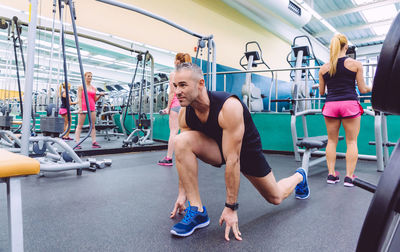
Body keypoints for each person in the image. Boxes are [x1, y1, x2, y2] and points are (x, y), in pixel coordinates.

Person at [169, 63, 309, 240]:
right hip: (216, 146)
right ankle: (197, 210)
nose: (177, 91)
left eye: (183, 85)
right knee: (180, 141)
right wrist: (183, 194)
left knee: (275, 197)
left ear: (201, 84)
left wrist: (231, 207)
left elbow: (233, 159)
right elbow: (182, 155)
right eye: (175, 86)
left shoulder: (229, 106)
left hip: (246, 150)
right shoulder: (185, 114)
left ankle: (300, 176)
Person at [318, 34, 372, 187]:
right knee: (352, 141)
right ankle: (349, 177)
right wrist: (374, 86)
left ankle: (331, 174)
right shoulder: (355, 64)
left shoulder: (324, 68)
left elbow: (322, 92)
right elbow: (363, 89)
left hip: (331, 105)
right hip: (349, 104)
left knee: (332, 141)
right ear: (346, 47)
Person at [158, 53, 192, 166]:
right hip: (187, 105)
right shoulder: (190, 74)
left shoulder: (174, 74)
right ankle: (185, 158)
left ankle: (168, 158)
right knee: (184, 132)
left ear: (177, 61)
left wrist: (168, 108)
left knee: (173, 131)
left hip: (176, 105)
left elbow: (172, 92)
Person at [74, 72, 104, 149]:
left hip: (92, 107)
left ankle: (94, 142)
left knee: (93, 126)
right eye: (88, 76)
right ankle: (77, 142)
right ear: (85, 77)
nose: (90, 78)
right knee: (79, 126)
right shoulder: (81, 87)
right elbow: (79, 98)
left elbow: (94, 100)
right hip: (83, 107)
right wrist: (80, 108)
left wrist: (100, 95)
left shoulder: (94, 88)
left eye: (91, 76)